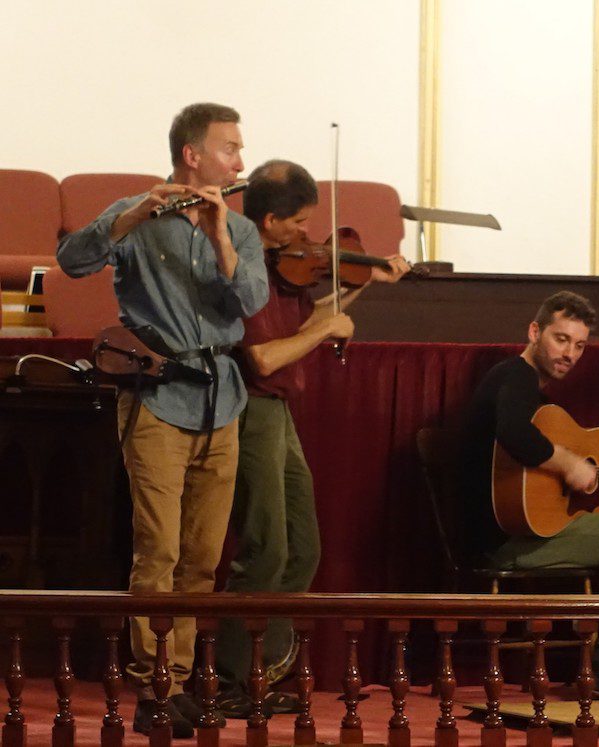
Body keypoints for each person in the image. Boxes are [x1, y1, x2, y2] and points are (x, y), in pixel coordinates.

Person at [57, 102, 269, 737]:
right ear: (192, 156)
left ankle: (179, 681)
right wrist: (130, 218)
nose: (240, 160)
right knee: (160, 552)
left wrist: (221, 235)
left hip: (223, 401)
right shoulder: (139, 215)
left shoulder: (242, 228)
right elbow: (72, 260)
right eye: (230, 148)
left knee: (202, 559)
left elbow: (251, 300)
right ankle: (156, 687)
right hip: (157, 398)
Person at [214, 160, 410, 716]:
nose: (307, 234)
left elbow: (309, 321)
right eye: (298, 222)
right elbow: (262, 356)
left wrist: (363, 285)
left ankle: (263, 669)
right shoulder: (246, 269)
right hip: (253, 410)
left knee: (303, 547)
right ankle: (233, 680)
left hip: (280, 413)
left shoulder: (286, 271)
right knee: (265, 547)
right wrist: (326, 328)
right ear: (270, 221)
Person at [460, 291, 599, 699]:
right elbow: (515, 435)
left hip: (521, 533)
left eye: (579, 345)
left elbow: (538, 494)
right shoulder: (515, 377)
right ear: (534, 331)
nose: (570, 353)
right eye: (561, 339)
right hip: (504, 544)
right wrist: (570, 464)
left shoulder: (535, 396)